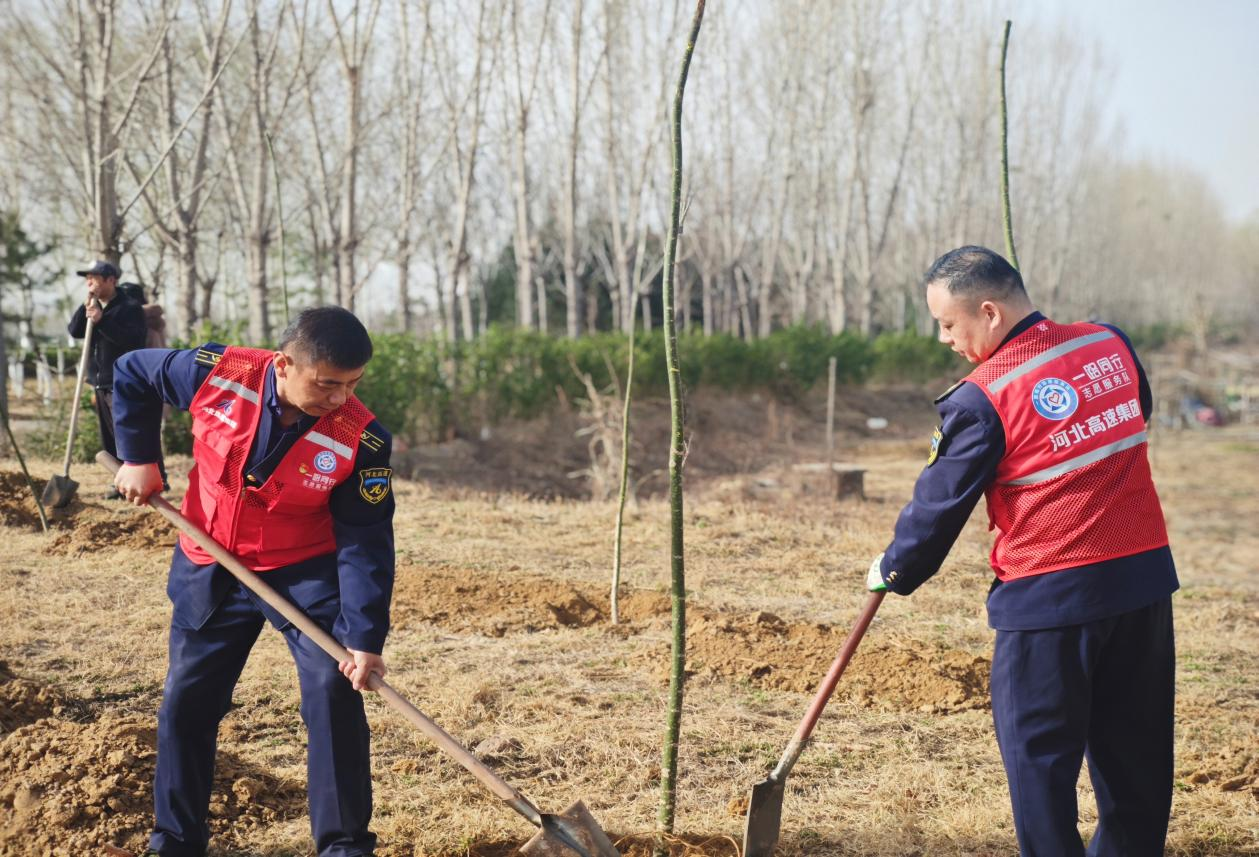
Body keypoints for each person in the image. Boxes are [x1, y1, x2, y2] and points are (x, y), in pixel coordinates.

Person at [866, 246, 1177, 856]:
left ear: (988, 312)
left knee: (1040, 763)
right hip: (1142, 584)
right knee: (1137, 756)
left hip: (1050, 601)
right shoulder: (1108, 344)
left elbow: (938, 506)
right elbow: (1135, 414)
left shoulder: (983, 399)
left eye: (949, 324)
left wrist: (895, 567)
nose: (943, 339)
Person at [111, 306, 395, 857]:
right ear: (285, 364)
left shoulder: (363, 440)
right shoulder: (217, 372)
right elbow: (130, 372)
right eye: (328, 383)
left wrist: (364, 638)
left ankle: (344, 848)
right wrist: (139, 457)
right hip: (209, 559)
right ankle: (175, 843)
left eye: (353, 384)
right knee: (186, 702)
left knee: (333, 693)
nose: (340, 398)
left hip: (303, 572)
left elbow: (365, 543)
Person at [67, 260, 148, 498]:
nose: (89, 282)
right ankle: (119, 482)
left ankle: (138, 480)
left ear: (111, 280)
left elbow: (131, 341)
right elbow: (74, 331)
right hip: (101, 382)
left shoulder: (129, 307)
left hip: (122, 381)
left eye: (95, 278)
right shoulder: (95, 306)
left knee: (125, 433)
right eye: (87, 278)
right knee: (109, 435)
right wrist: (85, 310)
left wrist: (103, 321)